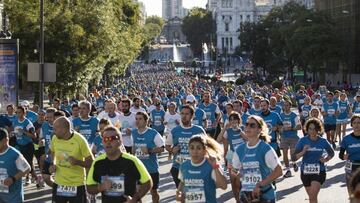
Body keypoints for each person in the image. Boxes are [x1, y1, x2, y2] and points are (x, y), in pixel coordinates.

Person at [86, 126, 152, 202]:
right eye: (105, 139)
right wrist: (101, 187)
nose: (108, 142)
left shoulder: (132, 161)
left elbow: (147, 183)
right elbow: (89, 188)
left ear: (120, 141)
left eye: (112, 138)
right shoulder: (97, 162)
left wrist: (134, 199)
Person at [232, 115, 283, 202]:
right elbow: (234, 171)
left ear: (260, 129)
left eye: (252, 125)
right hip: (247, 197)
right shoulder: (239, 149)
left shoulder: (265, 148)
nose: (248, 127)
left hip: (265, 196)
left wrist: (259, 185)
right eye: (247, 124)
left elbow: (279, 171)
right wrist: (240, 176)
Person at [49, 116, 94, 203]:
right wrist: (52, 163)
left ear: (63, 129)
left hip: (76, 184)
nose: (53, 132)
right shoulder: (55, 138)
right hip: (59, 183)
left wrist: (77, 162)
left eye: (55, 129)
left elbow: (91, 162)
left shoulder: (80, 140)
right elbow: (52, 151)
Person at [176, 135, 227, 203]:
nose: (195, 151)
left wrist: (215, 166)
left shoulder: (211, 165)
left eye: (199, 148)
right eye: (192, 148)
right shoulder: (184, 165)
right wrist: (179, 192)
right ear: (188, 149)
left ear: (204, 150)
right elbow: (182, 181)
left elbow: (224, 186)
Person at [293, 118, 334, 203]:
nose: (312, 131)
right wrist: (303, 152)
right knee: (312, 198)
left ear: (318, 129)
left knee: (312, 195)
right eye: (310, 129)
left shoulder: (323, 141)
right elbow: (293, 157)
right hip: (305, 172)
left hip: (319, 171)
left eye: (315, 129)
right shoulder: (302, 140)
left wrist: (326, 159)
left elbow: (331, 153)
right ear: (307, 130)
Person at [166, 105, 206, 188]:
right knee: (183, 194)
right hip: (178, 167)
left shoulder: (199, 130)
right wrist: (172, 149)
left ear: (192, 115)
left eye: (187, 114)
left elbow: (207, 147)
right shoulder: (175, 130)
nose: (184, 116)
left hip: (195, 167)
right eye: (182, 114)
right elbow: (167, 146)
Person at [132, 112, 165, 203]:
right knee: (138, 192)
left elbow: (162, 148)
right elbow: (133, 148)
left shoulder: (153, 133)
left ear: (146, 121)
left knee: (153, 191)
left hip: (151, 168)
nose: (137, 121)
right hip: (138, 168)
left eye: (140, 119)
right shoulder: (134, 132)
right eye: (136, 119)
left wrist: (149, 151)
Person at [0, 128, 31, 203]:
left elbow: (27, 168)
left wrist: (13, 179)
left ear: (5, 140)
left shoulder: (14, 154)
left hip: (14, 197)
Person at [221, 112, 246, 202]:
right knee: (233, 181)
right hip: (232, 157)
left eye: (234, 119)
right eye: (230, 120)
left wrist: (239, 130)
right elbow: (218, 140)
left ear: (238, 120)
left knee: (241, 180)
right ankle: (237, 200)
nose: (232, 121)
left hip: (243, 157)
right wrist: (224, 128)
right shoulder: (228, 131)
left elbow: (248, 139)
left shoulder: (243, 128)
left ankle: (244, 197)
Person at [13, 106, 38, 185]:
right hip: (19, 145)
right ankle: (24, 178)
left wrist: (24, 131)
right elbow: (15, 132)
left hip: (28, 145)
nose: (18, 114)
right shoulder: (15, 121)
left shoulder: (27, 123)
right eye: (17, 112)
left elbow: (34, 136)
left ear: (24, 113)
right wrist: (12, 133)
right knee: (17, 162)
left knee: (28, 164)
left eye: (20, 112)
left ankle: (36, 179)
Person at [280, 100, 302, 178]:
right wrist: (281, 129)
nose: (285, 107)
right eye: (284, 105)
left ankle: (294, 163)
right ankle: (288, 170)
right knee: (285, 153)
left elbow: (299, 126)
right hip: (284, 137)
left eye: (287, 105)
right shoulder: (280, 115)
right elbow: (278, 127)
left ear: (290, 106)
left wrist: (291, 128)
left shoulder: (294, 115)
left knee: (292, 153)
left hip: (293, 137)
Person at [339, 115, 360, 195]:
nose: (357, 125)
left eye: (359, 123)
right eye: (354, 123)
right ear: (351, 125)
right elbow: (341, 155)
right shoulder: (346, 139)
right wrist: (343, 156)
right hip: (351, 166)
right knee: (352, 193)